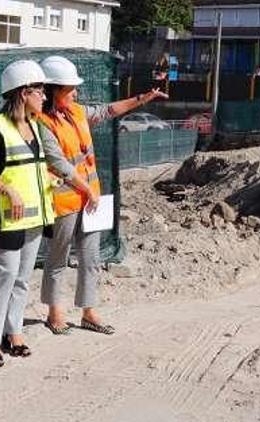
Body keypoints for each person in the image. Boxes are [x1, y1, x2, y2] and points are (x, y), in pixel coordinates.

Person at [0, 60, 98, 367]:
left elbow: (36, 169)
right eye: (40, 90)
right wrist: (7, 189)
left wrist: (48, 181)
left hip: (33, 217)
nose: (45, 95)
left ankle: (14, 334)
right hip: (5, 217)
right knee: (4, 278)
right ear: (24, 93)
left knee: (23, 280)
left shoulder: (35, 128)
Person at [36, 55, 168, 335]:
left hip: (90, 199)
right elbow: (57, 163)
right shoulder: (42, 122)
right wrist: (86, 190)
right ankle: (54, 312)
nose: (76, 92)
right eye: (70, 88)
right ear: (52, 90)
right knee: (58, 257)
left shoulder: (76, 112)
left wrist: (142, 98)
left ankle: (88, 311)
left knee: (91, 257)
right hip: (65, 200)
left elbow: (108, 110)